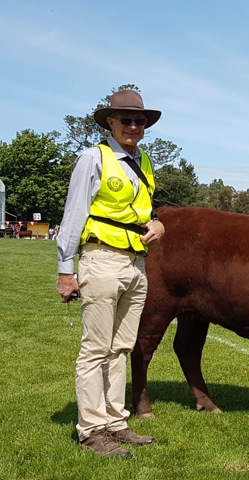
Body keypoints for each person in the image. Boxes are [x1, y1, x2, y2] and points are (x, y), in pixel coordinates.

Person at [56, 90, 166, 457]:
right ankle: (91, 429)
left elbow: (143, 211)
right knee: (95, 349)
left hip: (135, 263)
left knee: (121, 348)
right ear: (110, 123)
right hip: (101, 260)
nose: (134, 126)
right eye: (126, 120)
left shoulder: (144, 161)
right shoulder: (93, 158)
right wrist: (65, 270)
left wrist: (158, 225)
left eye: (139, 121)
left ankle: (115, 421)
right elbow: (74, 215)